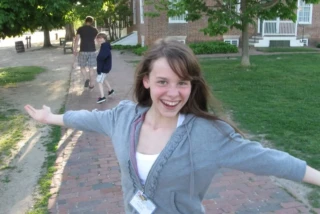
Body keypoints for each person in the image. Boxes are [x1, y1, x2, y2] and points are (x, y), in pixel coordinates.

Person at [24, 39, 320, 214]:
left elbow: (270, 161)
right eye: (162, 82)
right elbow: (88, 118)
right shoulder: (123, 117)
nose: (172, 93)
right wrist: (50, 118)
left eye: (182, 83)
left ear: (192, 86)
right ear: (146, 81)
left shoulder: (209, 135)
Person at [73, 16, 98, 89]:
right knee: (91, 68)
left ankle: (86, 78)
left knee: (82, 66)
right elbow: (97, 40)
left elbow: (77, 40)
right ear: (92, 22)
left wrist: (75, 49)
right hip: (92, 50)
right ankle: (92, 84)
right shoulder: (95, 30)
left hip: (83, 50)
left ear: (85, 21)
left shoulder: (80, 29)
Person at [95, 32, 115, 104]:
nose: (99, 40)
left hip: (103, 68)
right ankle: (110, 90)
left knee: (99, 81)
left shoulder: (105, 46)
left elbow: (102, 57)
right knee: (103, 78)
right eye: (98, 38)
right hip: (105, 67)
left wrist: (98, 58)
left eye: (101, 38)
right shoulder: (104, 46)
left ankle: (102, 97)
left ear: (104, 39)